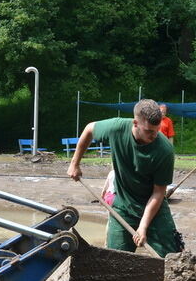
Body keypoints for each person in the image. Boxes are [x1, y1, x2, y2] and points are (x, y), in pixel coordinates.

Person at [67, 99, 180, 256]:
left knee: (171, 257)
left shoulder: (164, 150)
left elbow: (159, 192)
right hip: (123, 206)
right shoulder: (117, 128)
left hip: (154, 209)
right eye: (149, 131)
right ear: (135, 123)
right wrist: (75, 164)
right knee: (116, 258)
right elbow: (89, 129)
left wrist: (143, 226)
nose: (154, 135)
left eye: (157, 130)